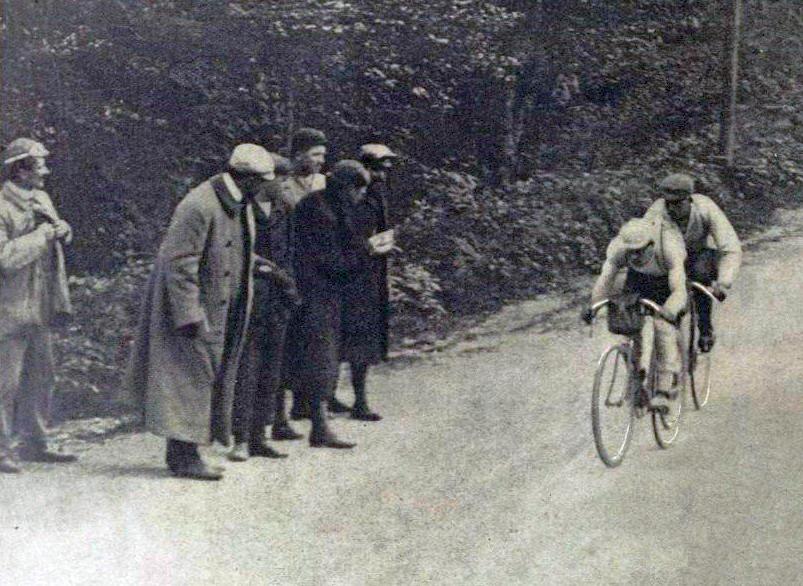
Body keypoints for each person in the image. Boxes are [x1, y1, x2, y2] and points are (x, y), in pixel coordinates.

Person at [125, 144, 272, 480]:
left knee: (205, 378)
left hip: (225, 307)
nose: (264, 187)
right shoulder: (199, 204)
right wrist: (188, 313)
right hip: (195, 310)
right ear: (245, 178)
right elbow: (179, 263)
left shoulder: (240, 205)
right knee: (187, 380)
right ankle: (184, 456)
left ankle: (189, 451)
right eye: (261, 180)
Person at [0, 138, 76, 474]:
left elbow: (55, 237)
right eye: (39, 165)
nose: (45, 171)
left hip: (42, 305)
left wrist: (63, 230)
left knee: (42, 376)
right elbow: (5, 259)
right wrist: (45, 234)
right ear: (20, 170)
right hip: (9, 309)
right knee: (5, 383)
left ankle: (36, 443)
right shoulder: (2, 206)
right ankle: (1, 450)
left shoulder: (41, 199)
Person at [292, 160, 374, 448]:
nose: (360, 196)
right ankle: (319, 425)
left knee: (326, 354)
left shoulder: (329, 205)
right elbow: (331, 259)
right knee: (321, 357)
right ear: (346, 188)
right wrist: (367, 252)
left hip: (331, 291)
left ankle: (318, 420)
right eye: (357, 190)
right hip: (316, 291)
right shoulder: (319, 211)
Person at [228, 154, 300, 462]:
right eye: (279, 181)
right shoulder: (244, 210)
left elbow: (293, 251)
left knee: (272, 370)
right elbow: (241, 254)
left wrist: (290, 285)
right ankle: (240, 438)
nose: (283, 187)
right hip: (253, 296)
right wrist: (269, 271)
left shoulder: (285, 210)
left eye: (285, 181)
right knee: (248, 369)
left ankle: (260, 435)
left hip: (280, 298)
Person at [582, 217, 688, 411]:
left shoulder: (669, 248)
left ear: (651, 244)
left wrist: (670, 310)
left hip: (666, 283)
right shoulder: (618, 249)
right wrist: (595, 307)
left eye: (640, 251)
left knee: (662, 327)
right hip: (638, 280)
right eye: (631, 252)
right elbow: (605, 280)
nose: (636, 256)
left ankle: (664, 389)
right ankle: (637, 374)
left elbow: (679, 289)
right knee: (630, 324)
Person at [330, 144, 399, 420]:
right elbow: (344, 234)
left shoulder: (377, 194)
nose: (382, 175)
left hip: (371, 275)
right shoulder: (350, 196)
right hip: (350, 276)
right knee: (345, 337)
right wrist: (367, 247)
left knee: (364, 339)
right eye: (378, 169)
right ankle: (334, 396)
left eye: (385, 170)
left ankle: (358, 399)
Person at [645, 173, 742, 351]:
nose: (672, 208)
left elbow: (730, 248)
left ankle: (705, 329)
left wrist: (724, 282)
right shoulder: (656, 212)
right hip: (668, 258)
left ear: (689, 200)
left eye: (678, 203)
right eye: (668, 203)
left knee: (700, 276)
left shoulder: (705, 208)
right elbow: (641, 246)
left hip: (697, 255)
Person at [275, 128, 328, 428]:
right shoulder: (283, 185)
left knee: (312, 338)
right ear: (299, 155)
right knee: (288, 340)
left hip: (316, 271)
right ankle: (279, 411)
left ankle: (305, 403)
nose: (321, 160)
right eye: (315, 154)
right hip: (291, 267)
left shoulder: (322, 182)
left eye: (323, 155)